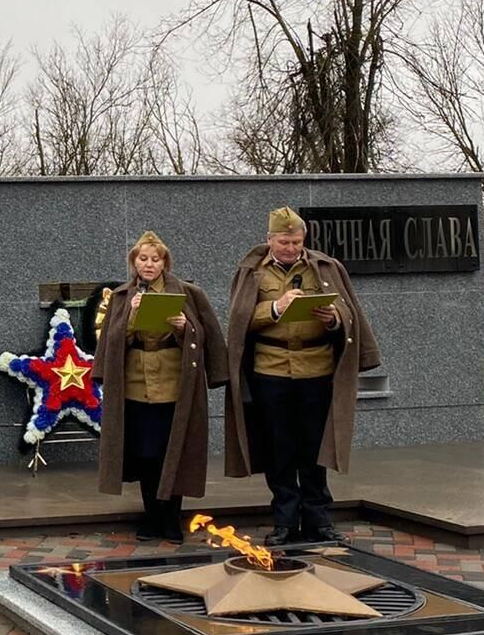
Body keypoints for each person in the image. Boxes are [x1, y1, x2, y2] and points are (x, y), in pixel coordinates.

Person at [223, 207, 380, 546]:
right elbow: (238, 321)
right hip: (271, 369)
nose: (291, 248)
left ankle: (319, 519)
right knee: (279, 449)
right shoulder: (252, 271)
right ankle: (284, 520)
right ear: (269, 240)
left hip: (316, 368)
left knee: (313, 447)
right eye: (284, 241)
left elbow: (349, 312)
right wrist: (276, 308)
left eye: (296, 241)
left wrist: (333, 317)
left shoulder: (324, 268)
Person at [95, 231, 228, 541]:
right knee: (146, 455)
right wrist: (132, 315)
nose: (149, 264)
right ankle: (152, 517)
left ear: (165, 262)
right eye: (143, 259)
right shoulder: (122, 296)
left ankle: (171, 518)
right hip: (136, 387)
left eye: (155, 259)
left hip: (174, 386)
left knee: (174, 453)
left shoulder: (187, 293)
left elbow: (205, 334)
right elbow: (112, 341)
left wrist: (185, 327)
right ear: (134, 262)